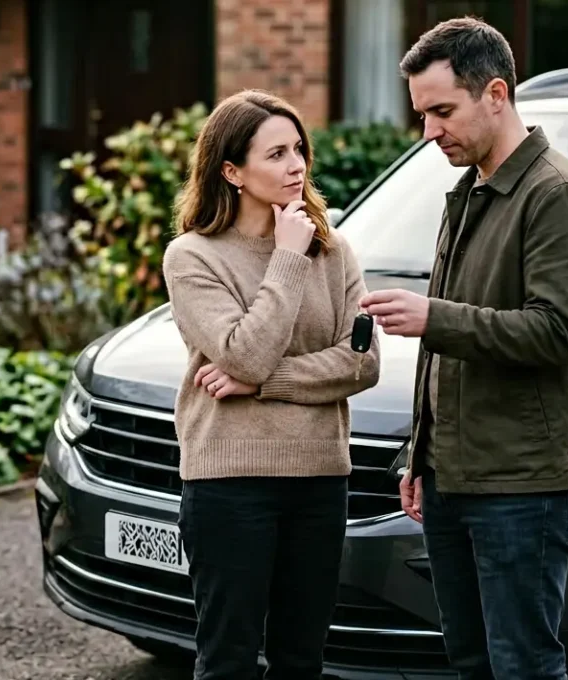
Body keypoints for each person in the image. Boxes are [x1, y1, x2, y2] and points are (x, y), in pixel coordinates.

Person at [359, 17, 568, 680]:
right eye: (422, 114)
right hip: (451, 478)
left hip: (523, 485)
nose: (429, 131)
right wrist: (420, 456)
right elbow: (449, 349)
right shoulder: (470, 189)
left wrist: (433, 316)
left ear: (495, 94)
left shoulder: (558, 196)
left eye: (442, 111)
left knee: (523, 664)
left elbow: (556, 333)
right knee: (470, 661)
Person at [161, 89, 381, 680]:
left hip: (318, 479)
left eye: (299, 150)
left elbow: (362, 363)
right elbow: (244, 353)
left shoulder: (334, 253)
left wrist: (259, 384)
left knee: (301, 660)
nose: (297, 165)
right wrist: (286, 257)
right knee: (228, 662)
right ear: (232, 171)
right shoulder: (193, 257)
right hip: (230, 483)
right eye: (277, 154)